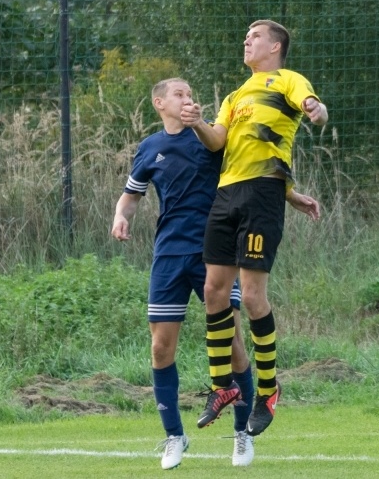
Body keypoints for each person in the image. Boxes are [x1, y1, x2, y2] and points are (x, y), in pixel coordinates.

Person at [112, 78, 319, 469]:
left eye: (191, 94)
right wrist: (120, 216)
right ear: (160, 103)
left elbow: (250, 171)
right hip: (169, 255)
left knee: (233, 341)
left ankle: (242, 432)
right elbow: (132, 194)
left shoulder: (212, 139)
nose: (188, 100)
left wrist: (290, 195)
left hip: (214, 253)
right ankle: (174, 436)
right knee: (160, 347)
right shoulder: (150, 147)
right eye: (179, 94)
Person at [180, 19, 328, 437]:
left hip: (262, 193)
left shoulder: (288, 79)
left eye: (255, 35)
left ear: (276, 45)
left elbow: (314, 107)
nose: (246, 40)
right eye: (245, 35)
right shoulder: (234, 95)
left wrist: (316, 110)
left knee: (253, 295)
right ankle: (222, 386)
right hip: (226, 193)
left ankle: (267, 391)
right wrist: (196, 122)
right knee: (213, 291)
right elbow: (217, 140)